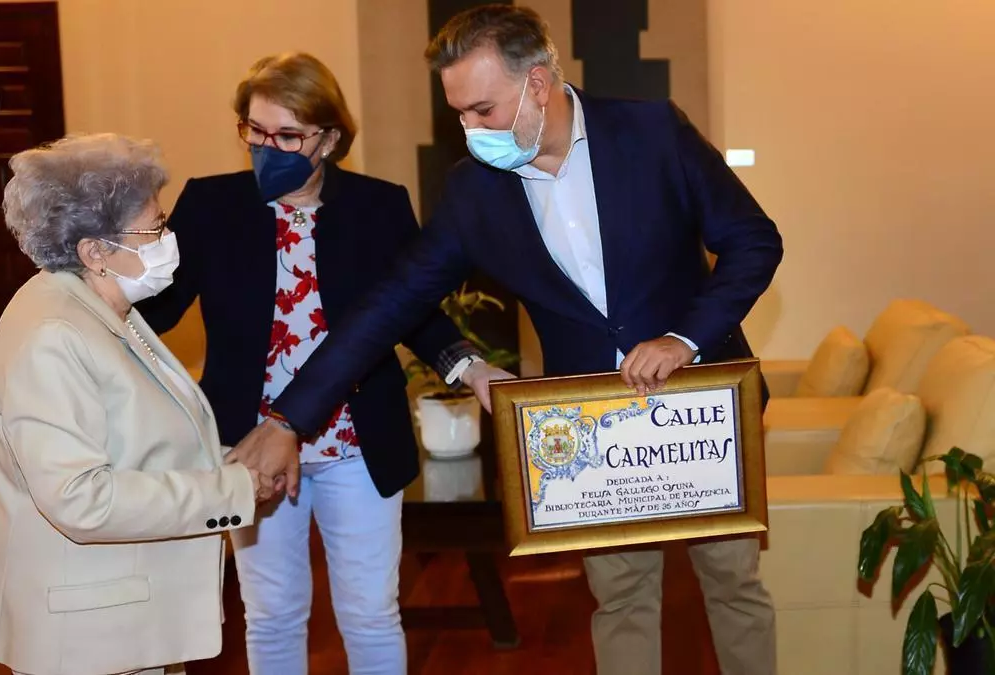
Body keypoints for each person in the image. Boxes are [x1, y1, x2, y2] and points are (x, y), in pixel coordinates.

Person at [226, 6, 784, 675]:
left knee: (733, 586)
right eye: (458, 113)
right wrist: (288, 418)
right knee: (622, 598)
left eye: (482, 110)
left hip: (702, 409)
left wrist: (683, 337)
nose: (469, 130)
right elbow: (388, 306)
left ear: (538, 84)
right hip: (596, 425)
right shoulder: (475, 192)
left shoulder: (653, 131)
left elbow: (754, 241)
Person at [134, 52, 475, 675]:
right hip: (252, 444)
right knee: (271, 613)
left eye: (288, 136)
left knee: (370, 612)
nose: (269, 149)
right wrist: (91, 297)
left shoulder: (379, 206)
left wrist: (469, 367)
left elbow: (415, 314)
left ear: (330, 138)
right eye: (256, 131)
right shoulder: (210, 205)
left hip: (356, 441)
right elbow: (160, 308)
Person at [0, 133, 266, 675]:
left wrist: (228, 461)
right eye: (155, 228)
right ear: (94, 251)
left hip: (122, 619)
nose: (169, 239)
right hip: (85, 633)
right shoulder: (53, 333)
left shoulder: (101, 306)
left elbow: (133, 439)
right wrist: (229, 489)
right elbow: (80, 499)